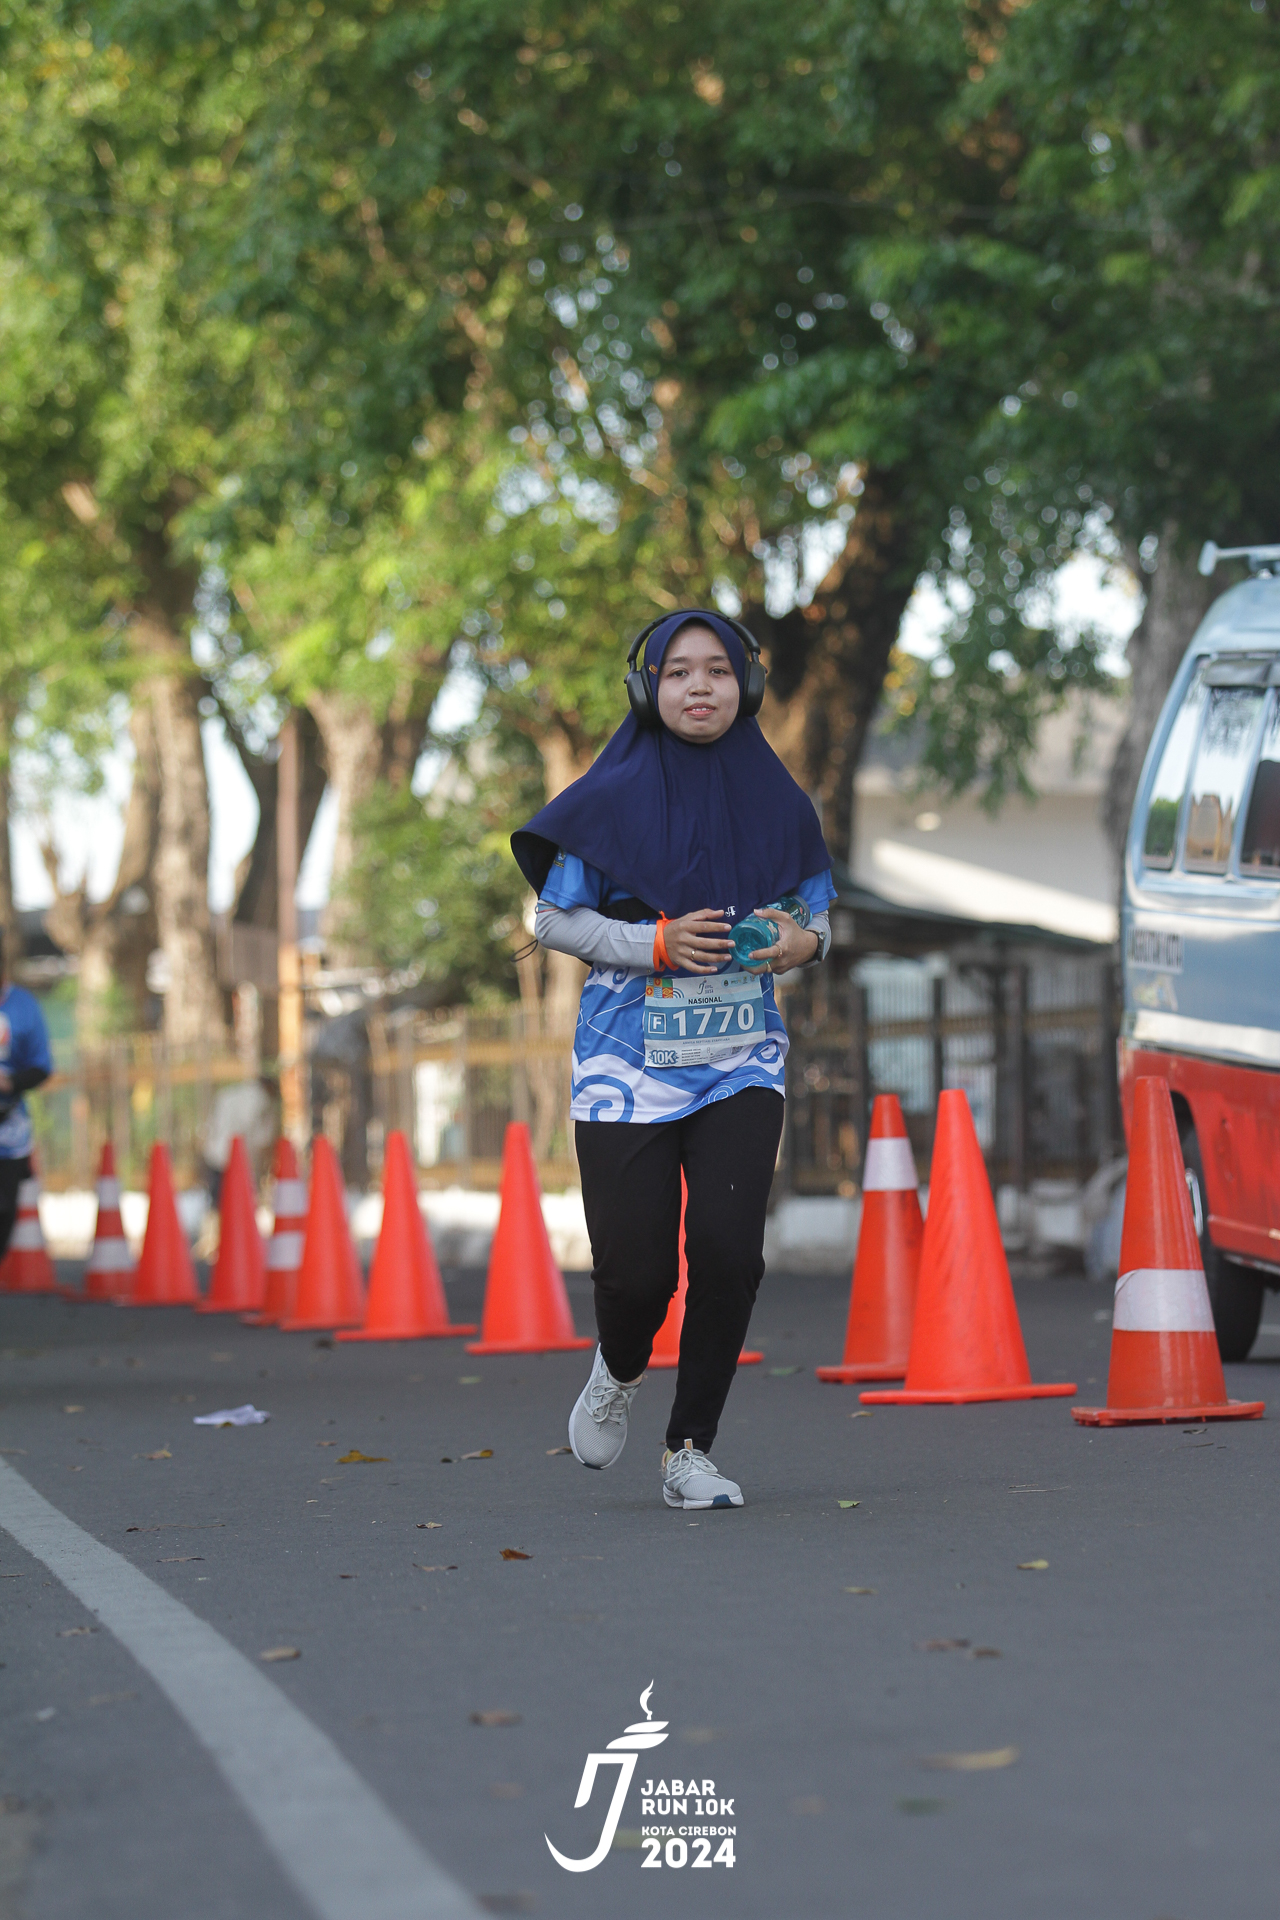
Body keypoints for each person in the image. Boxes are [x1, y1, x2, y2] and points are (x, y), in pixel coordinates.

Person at [512, 610, 834, 1512]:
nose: (701, 686)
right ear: (646, 688)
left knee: (729, 1253)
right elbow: (552, 919)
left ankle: (689, 1449)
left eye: (719, 671)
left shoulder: (780, 802)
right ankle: (618, 1368)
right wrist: (651, 943)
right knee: (638, 1275)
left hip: (741, 1061)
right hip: (624, 1068)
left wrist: (801, 944)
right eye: (680, 671)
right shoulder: (607, 798)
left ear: (748, 686)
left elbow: (817, 916)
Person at [0, 933, 54, 1260]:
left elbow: (42, 1067)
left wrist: (10, 1082)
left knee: (5, 1208)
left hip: (8, 1129)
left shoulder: (23, 1006)